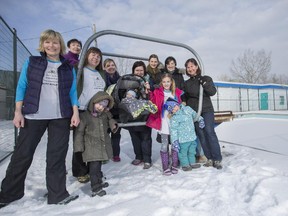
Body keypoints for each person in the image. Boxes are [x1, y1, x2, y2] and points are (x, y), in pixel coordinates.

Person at [0, 29, 80, 208]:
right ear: (42, 44)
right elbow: (22, 86)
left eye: (55, 42)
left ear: (61, 45)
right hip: (34, 116)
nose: (51, 45)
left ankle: (57, 194)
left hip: (60, 116)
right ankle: (9, 193)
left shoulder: (68, 67)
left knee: (57, 157)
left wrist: (75, 112)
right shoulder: (33, 62)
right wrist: (17, 111)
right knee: (22, 155)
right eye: (47, 42)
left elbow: (73, 91)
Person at [74, 91, 118, 197]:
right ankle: (95, 188)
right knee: (94, 169)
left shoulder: (103, 115)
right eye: (99, 104)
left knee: (97, 167)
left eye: (103, 106)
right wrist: (79, 147)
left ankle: (99, 181)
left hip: (100, 146)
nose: (100, 107)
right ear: (93, 102)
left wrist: (113, 125)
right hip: (90, 147)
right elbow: (79, 132)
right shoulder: (85, 116)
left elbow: (110, 120)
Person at [73, 47, 106, 183]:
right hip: (82, 109)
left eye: (98, 56)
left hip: (97, 112)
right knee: (79, 142)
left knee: (95, 143)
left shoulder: (101, 74)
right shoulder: (79, 69)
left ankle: (94, 170)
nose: (95, 58)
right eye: (93, 55)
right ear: (87, 56)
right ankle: (80, 171)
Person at [182, 58, 223, 169]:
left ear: (197, 66)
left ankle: (217, 158)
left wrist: (205, 84)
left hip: (206, 110)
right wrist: (183, 101)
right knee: (201, 135)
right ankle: (209, 158)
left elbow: (212, 92)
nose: (190, 69)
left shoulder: (206, 79)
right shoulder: (187, 83)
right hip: (194, 113)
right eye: (188, 67)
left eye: (192, 66)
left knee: (209, 131)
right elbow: (184, 96)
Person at [146, 73, 182, 175]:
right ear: (162, 83)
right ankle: (165, 166)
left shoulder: (176, 93)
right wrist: (148, 91)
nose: (166, 84)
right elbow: (152, 100)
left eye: (168, 81)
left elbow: (180, 105)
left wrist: (178, 108)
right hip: (164, 121)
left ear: (171, 82)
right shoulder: (157, 92)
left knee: (175, 143)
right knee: (164, 144)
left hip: (174, 122)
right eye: (164, 82)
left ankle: (174, 164)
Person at [164, 98, 204, 171]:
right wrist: (174, 141)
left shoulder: (187, 109)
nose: (174, 109)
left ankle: (192, 163)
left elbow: (195, 114)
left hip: (192, 137)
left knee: (192, 151)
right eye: (171, 109)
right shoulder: (174, 118)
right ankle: (185, 165)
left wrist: (200, 119)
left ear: (177, 104)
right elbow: (173, 130)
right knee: (183, 153)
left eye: (174, 106)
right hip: (183, 140)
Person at [127, 61, 153, 169]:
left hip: (144, 112)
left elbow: (153, 95)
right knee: (135, 136)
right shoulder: (128, 81)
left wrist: (148, 89)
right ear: (133, 71)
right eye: (137, 70)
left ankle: (147, 159)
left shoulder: (148, 80)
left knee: (145, 136)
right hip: (132, 111)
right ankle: (138, 156)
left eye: (141, 70)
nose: (139, 72)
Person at [104, 58, 122, 162]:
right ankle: (105, 154)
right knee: (105, 133)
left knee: (116, 133)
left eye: (112, 65)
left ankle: (116, 154)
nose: (111, 67)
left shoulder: (120, 79)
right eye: (108, 65)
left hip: (117, 110)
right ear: (104, 68)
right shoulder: (102, 79)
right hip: (105, 110)